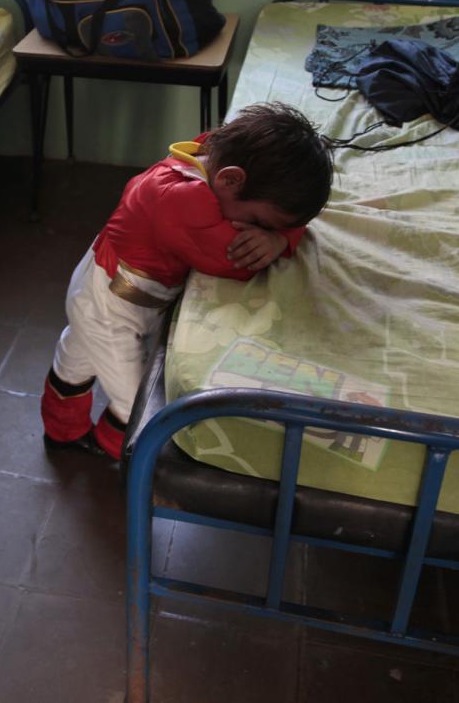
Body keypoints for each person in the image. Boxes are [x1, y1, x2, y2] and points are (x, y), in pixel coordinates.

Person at [40, 102, 334, 460]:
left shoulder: (206, 154)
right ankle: (116, 450)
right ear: (230, 179)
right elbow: (237, 262)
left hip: (102, 286)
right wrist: (282, 241)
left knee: (78, 358)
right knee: (137, 403)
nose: (260, 231)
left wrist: (280, 235)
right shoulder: (183, 201)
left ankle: (61, 432)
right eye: (260, 221)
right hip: (112, 306)